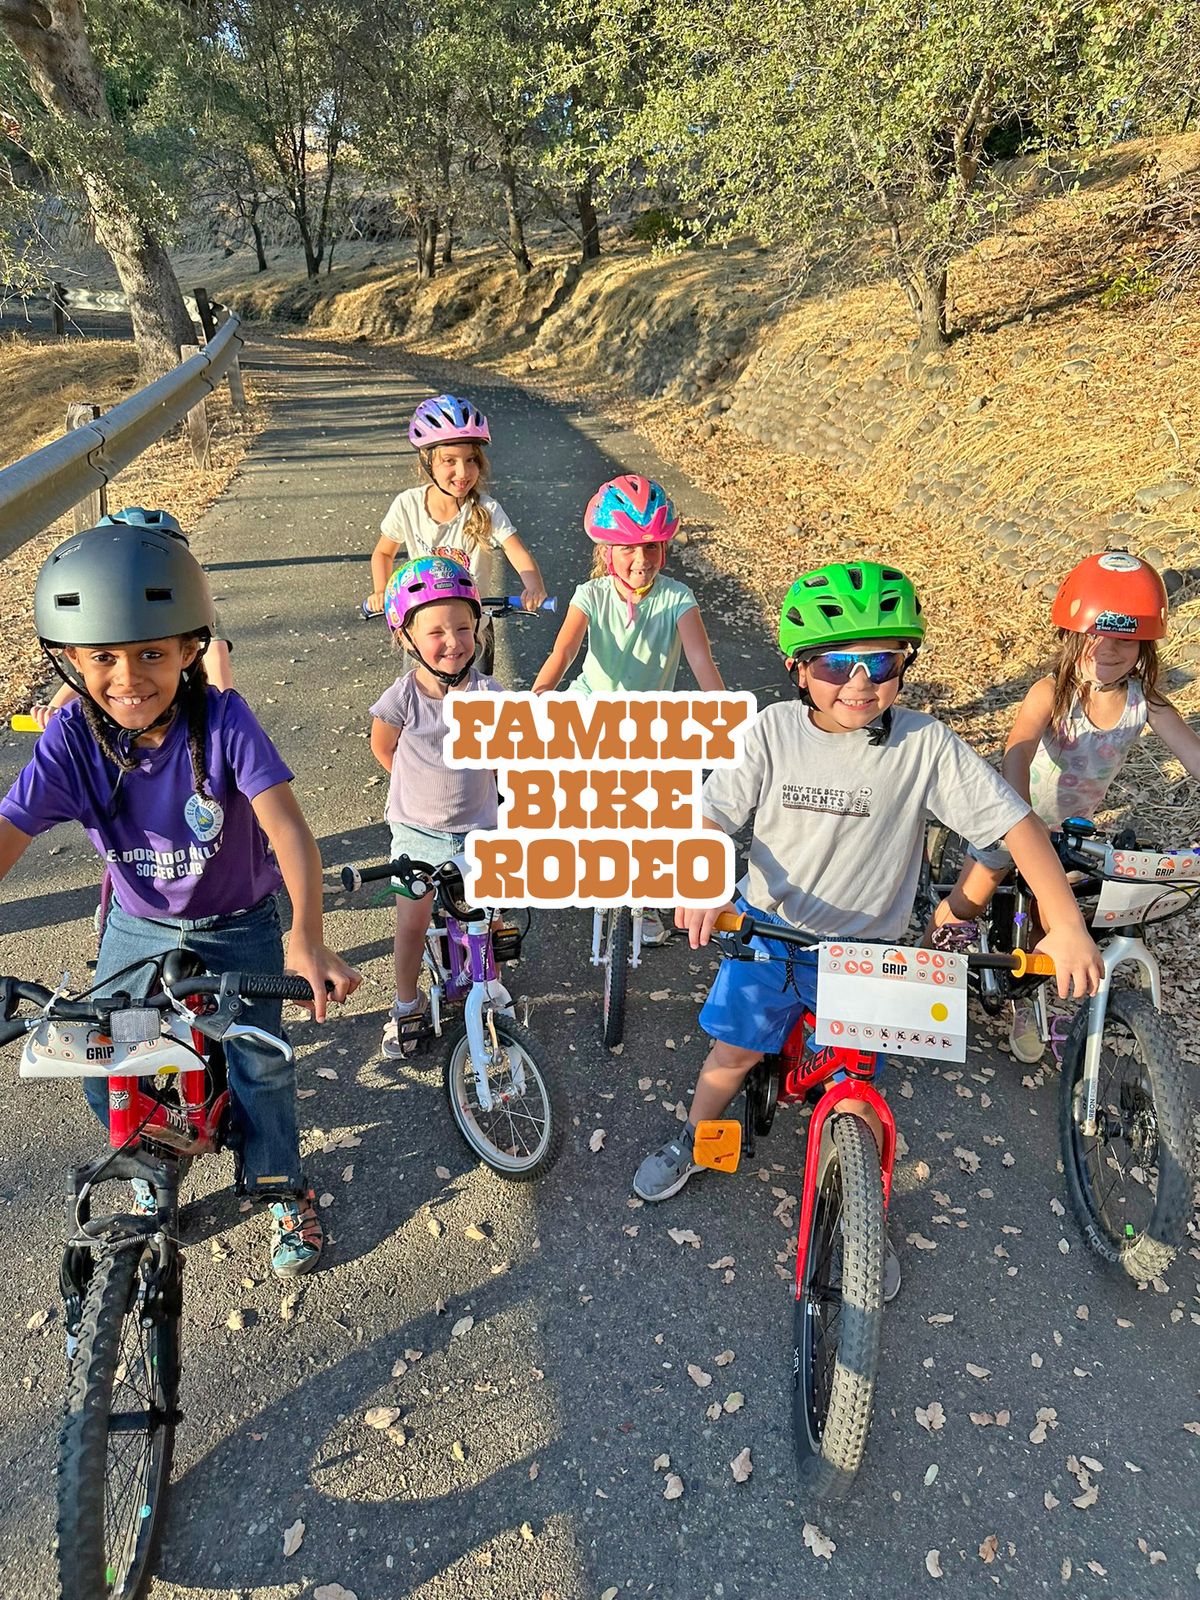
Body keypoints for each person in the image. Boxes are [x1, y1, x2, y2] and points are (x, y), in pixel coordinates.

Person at [631, 560, 1105, 1301]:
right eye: (834, 664)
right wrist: (695, 876)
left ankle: (860, 1221)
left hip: (866, 956)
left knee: (854, 1095)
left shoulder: (923, 745)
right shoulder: (771, 733)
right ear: (797, 668)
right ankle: (693, 1139)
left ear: (905, 664)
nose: (859, 681)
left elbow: (1015, 824)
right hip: (773, 931)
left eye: (881, 662)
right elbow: (711, 816)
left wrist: (1066, 924)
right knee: (731, 1053)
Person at [0, 526, 360, 1277]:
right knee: (111, 1060)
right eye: (103, 656)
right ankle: (152, 1166)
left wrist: (306, 935)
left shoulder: (223, 720)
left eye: (151, 653)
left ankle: (278, 1183)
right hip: (139, 927)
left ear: (191, 647)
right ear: (69, 657)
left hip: (240, 922)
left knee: (261, 1059)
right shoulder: (69, 738)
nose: (128, 677)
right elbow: (9, 832)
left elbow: (288, 830)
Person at [927, 549, 1200, 1061]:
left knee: (1058, 922)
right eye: (1098, 635)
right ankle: (918, 968)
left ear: (1145, 645)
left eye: (1126, 640)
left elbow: (1192, 754)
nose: (1110, 650)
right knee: (970, 901)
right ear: (1074, 635)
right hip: (1010, 816)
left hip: (1073, 827)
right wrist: (1021, 820)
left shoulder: (1149, 701)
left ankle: (1031, 1004)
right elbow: (1016, 756)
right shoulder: (1050, 692)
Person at [532, 474, 724, 943]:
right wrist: (541, 692)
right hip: (591, 704)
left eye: (653, 548)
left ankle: (646, 894)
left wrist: (726, 712)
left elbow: (702, 660)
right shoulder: (591, 595)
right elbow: (564, 652)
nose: (641, 561)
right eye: (628, 549)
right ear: (605, 552)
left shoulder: (677, 598)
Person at [370, 556, 505, 1059]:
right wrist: (416, 787)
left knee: (483, 916)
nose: (454, 641)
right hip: (417, 832)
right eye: (436, 631)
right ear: (406, 637)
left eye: (464, 628)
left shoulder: (491, 693)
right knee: (410, 922)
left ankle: (484, 981)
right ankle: (404, 1004)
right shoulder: (403, 695)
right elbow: (384, 747)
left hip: (478, 826)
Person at [367, 395, 546, 678]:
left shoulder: (486, 509)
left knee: (474, 708)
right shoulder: (408, 505)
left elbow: (516, 550)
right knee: (416, 703)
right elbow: (383, 553)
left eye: (471, 460)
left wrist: (533, 585)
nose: (463, 472)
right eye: (449, 461)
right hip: (424, 632)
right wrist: (382, 592)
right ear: (426, 463)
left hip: (472, 630)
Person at [27, 507, 235, 726]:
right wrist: (55, 708)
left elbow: (216, 661)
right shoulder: (96, 612)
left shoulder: (192, 608)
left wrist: (223, 718)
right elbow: (87, 672)